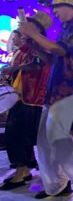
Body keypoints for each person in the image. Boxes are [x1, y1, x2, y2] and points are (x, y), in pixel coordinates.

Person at [19, 0, 73, 200]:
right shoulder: (65, 28)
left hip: (70, 88)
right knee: (43, 141)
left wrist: (34, 33)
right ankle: (56, 185)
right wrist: (35, 46)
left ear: (68, 7)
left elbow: (60, 50)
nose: (55, 12)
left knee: (56, 134)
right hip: (55, 89)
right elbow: (53, 58)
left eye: (57, 7)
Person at [0, 12, 52, 190]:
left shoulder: (40, 46)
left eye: (28, 26)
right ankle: (23, 170)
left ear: (37, 29)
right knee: (14, 135)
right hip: (21, 97)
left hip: (31, 99)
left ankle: (22, 172)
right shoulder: (29, 46)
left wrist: (14, 67)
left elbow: (37, 64)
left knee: (19, 136)